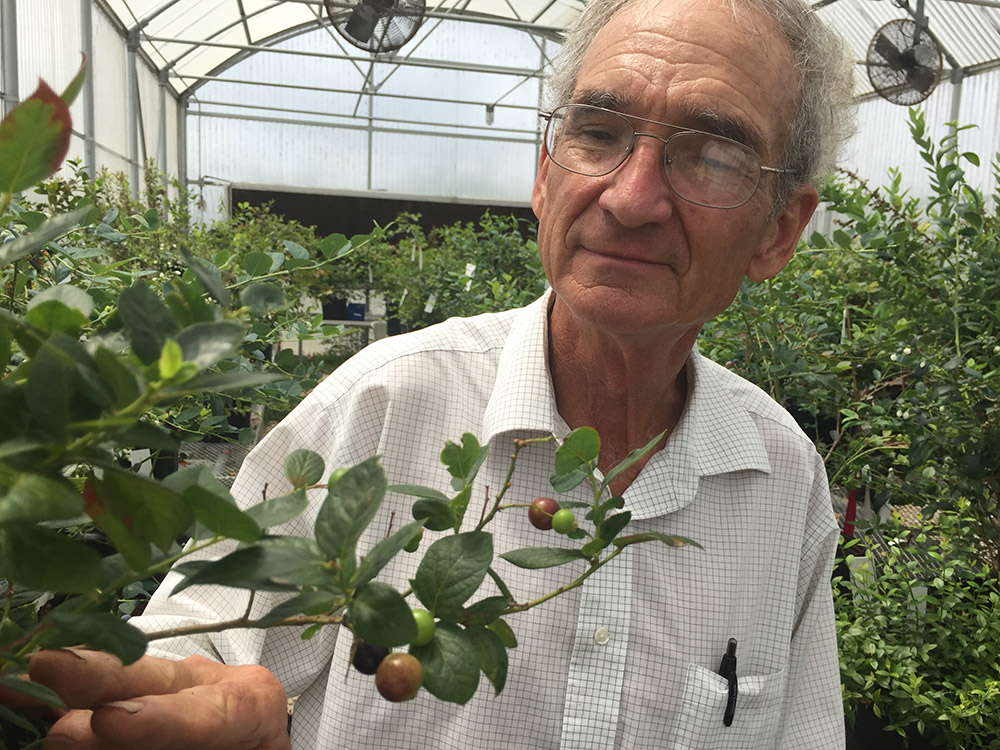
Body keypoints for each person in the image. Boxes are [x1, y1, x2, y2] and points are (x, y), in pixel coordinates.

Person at [19, 0, 855, 747]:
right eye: (598, 133)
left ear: (781, 231)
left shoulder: (781, 483)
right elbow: (196, 648)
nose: (631, 197)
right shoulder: (383, 404)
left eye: (711, 155)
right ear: (544, 170)